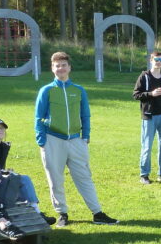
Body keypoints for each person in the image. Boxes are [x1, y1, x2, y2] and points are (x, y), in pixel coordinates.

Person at [34, 51, 118, 227]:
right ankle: (62, 213)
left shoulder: (78, 90)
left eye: (63, 65)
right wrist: (42, 141)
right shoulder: (47, 90)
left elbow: (85, 115)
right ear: (52, 68)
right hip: (52, 139)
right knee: (55, 179)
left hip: (75, 140)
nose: (61, 68)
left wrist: (85, 136)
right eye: (57, 66)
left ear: (69, 67)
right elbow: (38, 117)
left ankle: (97, 213)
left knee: (84, 177)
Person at [0, 118, 56, 225]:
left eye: (2, 128)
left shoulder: (3, 146)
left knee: (22, 179)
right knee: (17, 182)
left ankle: (36, 212)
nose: (0, 130)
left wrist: (4, 173)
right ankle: (32, 213)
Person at [132, 51, 161, 184]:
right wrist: (151, 94)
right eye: (156, 59)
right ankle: (144, 175)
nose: (159, 62)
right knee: (147, 146)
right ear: (151, 60)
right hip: (149, 117)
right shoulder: (144, 77)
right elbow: (136, 94)